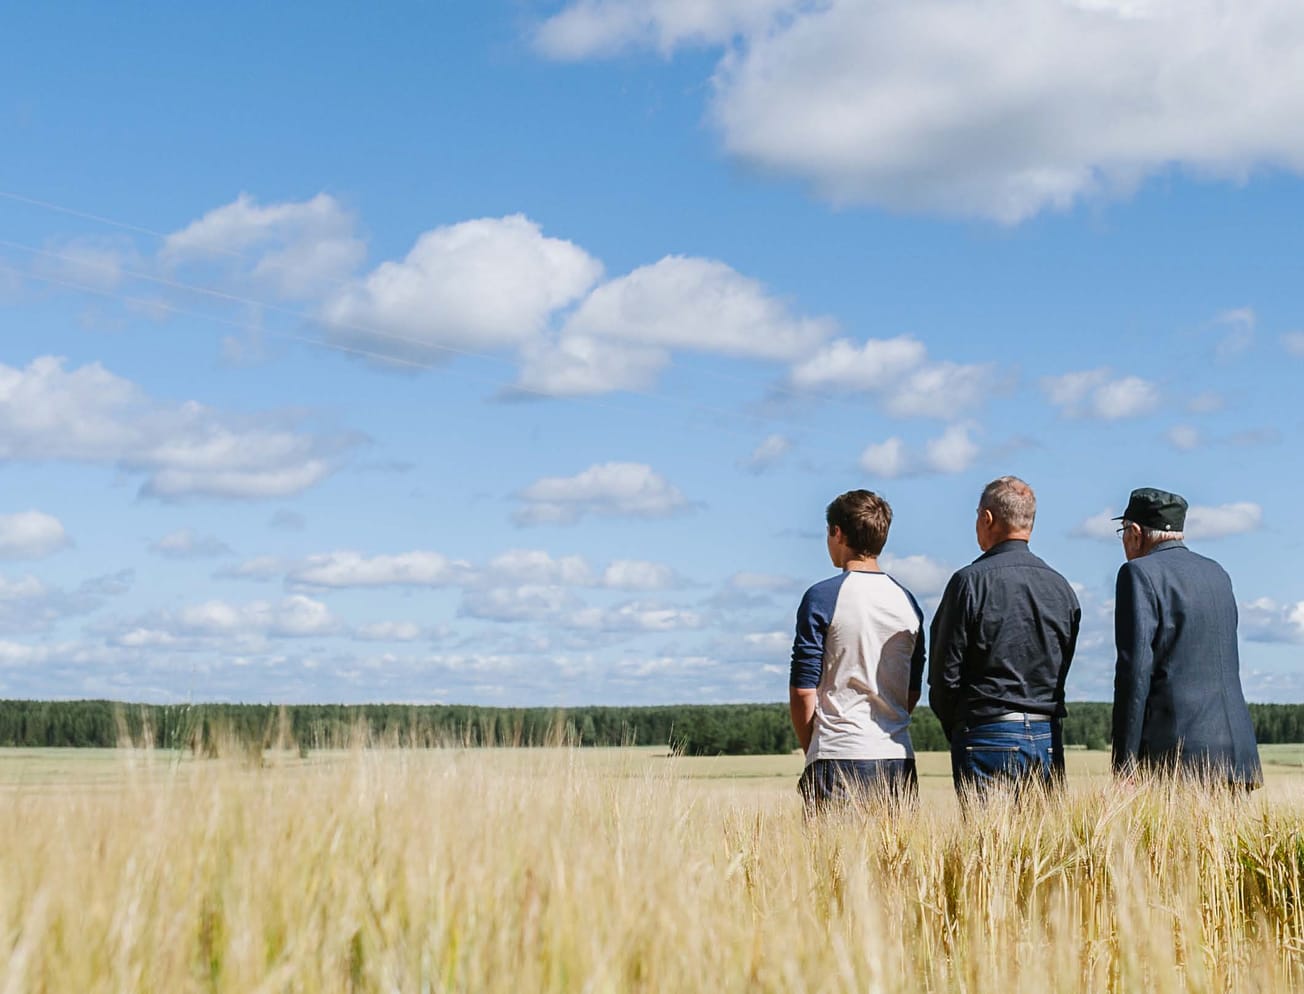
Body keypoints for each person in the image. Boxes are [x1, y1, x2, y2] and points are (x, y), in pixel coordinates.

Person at [928, 476, 1081, 803]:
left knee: (985, 851)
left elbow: (943, 675)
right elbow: (1063, 667)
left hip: (986, 731)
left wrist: (958, 728)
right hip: (1046, 734)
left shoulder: (968, 583)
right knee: (1041, 851)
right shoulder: (1061, 587)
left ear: (987, 519)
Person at [1111, 487, 1262, 788]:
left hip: (1178, 756)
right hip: (1238, 754)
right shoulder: (1218, 573)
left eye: (1122, 532)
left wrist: (1124, 762)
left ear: (1135, 532)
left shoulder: (1138, 574)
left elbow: (1135, 671)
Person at [789, 489, 925, 813]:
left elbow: (803, 690)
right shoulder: (907, 602)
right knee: (893, 863)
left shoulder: (821, 598)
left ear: (837, 532)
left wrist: (815, 748)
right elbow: (912, 690)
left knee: (829, 862)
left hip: (838, 755)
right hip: (897, 758)